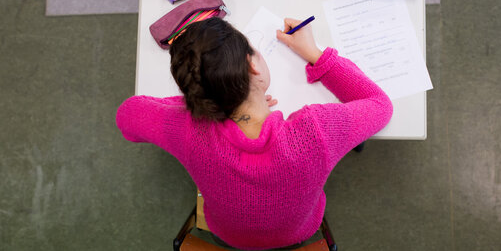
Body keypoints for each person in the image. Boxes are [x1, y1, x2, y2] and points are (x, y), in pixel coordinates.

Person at [116, 17, 393, 250]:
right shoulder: (317, 130)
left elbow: (127, 116)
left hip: (226, 235)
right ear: (253, 66)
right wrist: (316, 54)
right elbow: (380, 105)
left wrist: (201, 105)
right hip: (300, 232)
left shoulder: (188, 129)